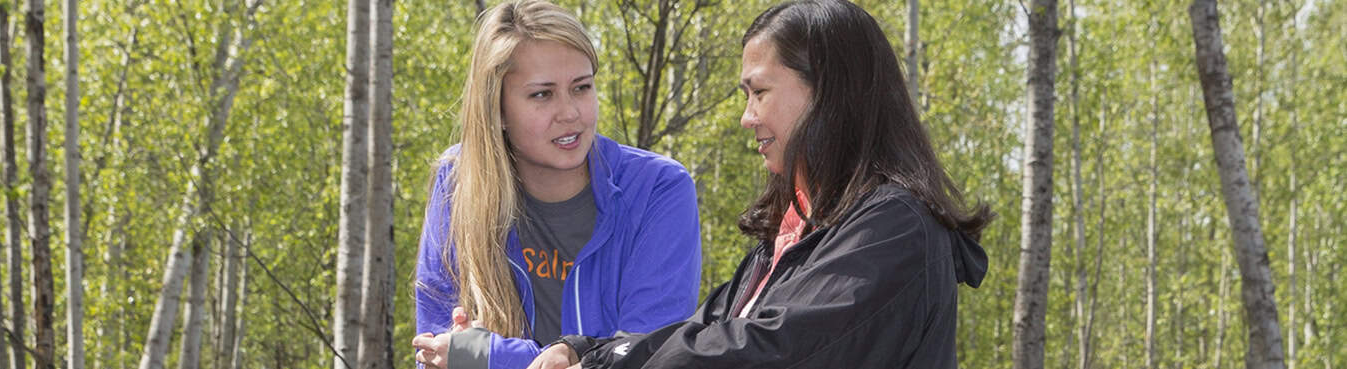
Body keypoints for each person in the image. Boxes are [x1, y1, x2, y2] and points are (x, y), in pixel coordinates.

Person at [525, 1, 993, 368]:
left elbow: (770, 348)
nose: (747, 117)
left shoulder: (895, 229)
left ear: (828, 93)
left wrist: (605, 363)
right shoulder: (797, 230)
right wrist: (584, 349)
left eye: (760, 92)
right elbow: (705, 328)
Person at [411, 1, 703, 368]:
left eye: (581, 87)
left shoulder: (659, 190)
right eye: (542, 94)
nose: (570, 113)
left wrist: (490, 356)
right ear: (497, 108)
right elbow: (435, 352)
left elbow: (648, 357)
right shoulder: (458, 180)